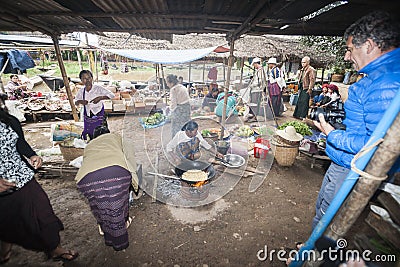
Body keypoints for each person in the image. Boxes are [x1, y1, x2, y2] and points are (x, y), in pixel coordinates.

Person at [312, 11, 400, 229]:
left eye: (350, 50)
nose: (346, 57)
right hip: (345, 162)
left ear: (369, 46)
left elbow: (378, 147)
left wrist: (333, 135)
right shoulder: (378, 78)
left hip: (352, 167)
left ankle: (317, 260)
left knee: (327, 223)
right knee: (323, 211)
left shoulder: (387, 83)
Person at [0, 93, 78, 263]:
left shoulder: (8, 121)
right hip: (2, 188)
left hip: (22, 177)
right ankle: (4, 248)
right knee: (6, 220)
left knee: (42, 213)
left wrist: (33, 155)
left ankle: (54, 249)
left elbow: (20, 143)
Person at [75, 125, 139, 251]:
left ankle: (107, 233)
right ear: (108, 133)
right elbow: (130, 158)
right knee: (118, 205)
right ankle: (120, 242)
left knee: (99, 206)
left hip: (86, 178)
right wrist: (134, 178)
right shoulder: (117, 138)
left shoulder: (90, 145)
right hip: (116, 172)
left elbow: (87, 162)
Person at [74, 70, 115, 140]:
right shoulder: (81, 91)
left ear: (92, 78)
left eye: (89, 78)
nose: (87, 80)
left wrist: (100, 98)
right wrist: (81, 101)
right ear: (81, 80)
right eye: (84, 78)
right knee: (90, 134)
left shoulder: (98, 89)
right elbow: (75, 102)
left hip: (99, 114)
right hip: (88, 116)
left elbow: (112, 95)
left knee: (102, 133)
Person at [166, 74, 191, 138]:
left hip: (180, 109)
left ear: (171, 83)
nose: (167, 84)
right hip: (187, 108)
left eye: (167, 83)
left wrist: (170, 112)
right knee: (186, 125)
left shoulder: (173, 89)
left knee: (176, 127)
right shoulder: (182, 87)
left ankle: (176, 142)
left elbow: (173, 104)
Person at [243, 57, 266, 122]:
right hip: (255, 89)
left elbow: (260, 81)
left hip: (257, 89)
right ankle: (252, 115)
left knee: (255, 104)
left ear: (256, 63)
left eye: (254, 64)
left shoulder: (261, 70)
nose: (254, 66)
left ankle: (254, 116)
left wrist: (252, 85)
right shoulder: (258, 70)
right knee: (253, 103)